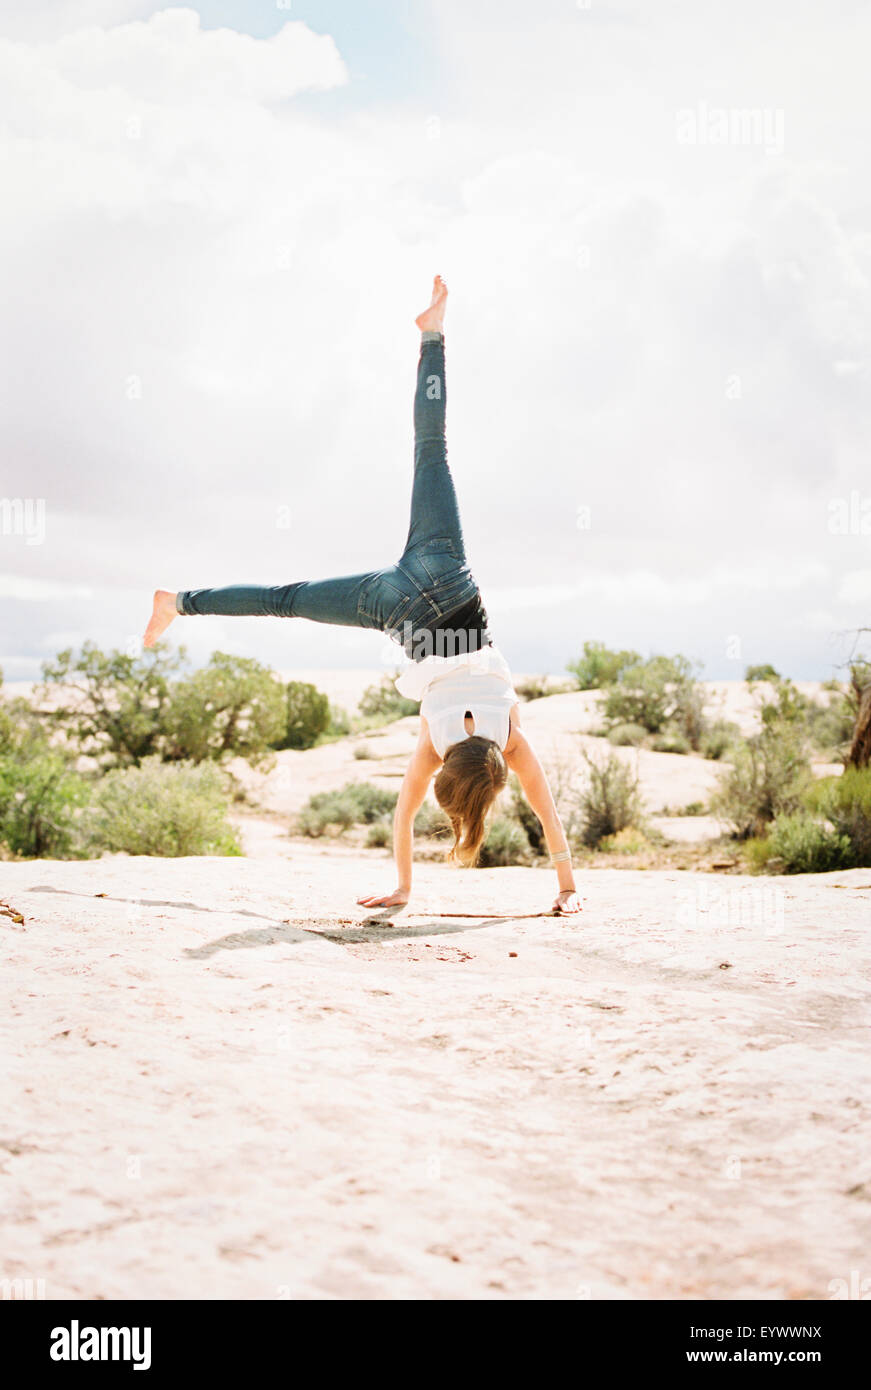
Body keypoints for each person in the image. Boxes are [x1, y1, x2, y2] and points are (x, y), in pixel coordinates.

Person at [144, 277, 581, 915]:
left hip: (447, 571)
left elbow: (549, 819)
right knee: (284, 599)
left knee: (432, 448)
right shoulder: (435, 745)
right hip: (396, 606)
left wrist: (569, 885)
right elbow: (404, 818)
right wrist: (405, 890)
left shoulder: (510, 735)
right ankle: (178, 602)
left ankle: (432, 335)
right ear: (454, 785)